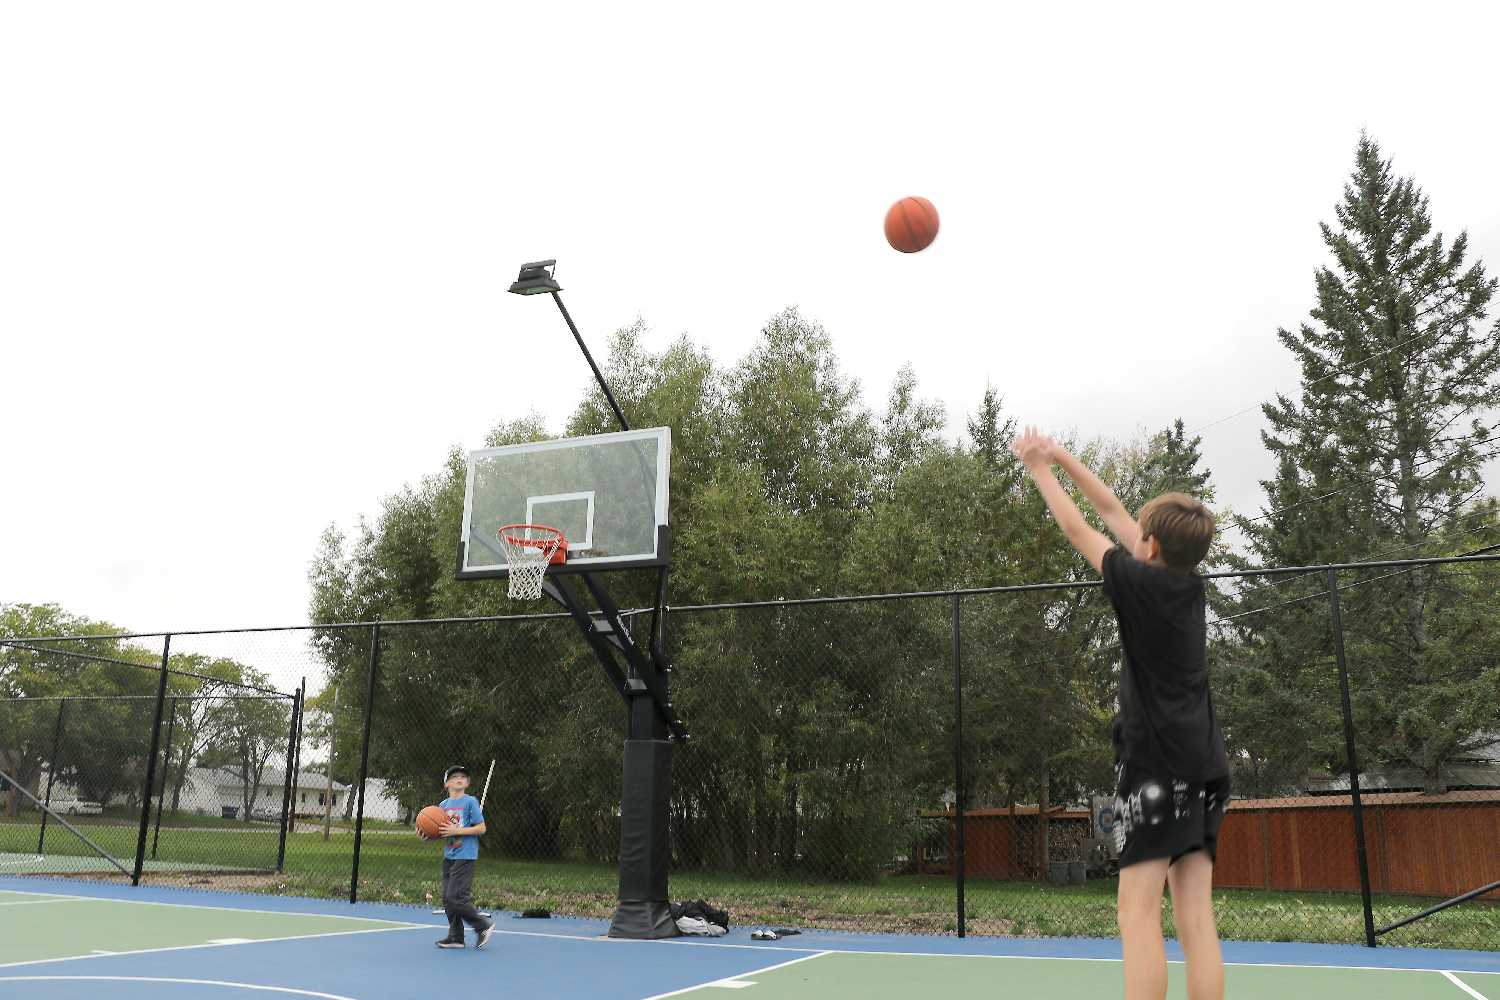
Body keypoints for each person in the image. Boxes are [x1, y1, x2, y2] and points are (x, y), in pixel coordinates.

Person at [1011, 427, 1228, 1000]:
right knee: (1195, 918)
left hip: (1157, 769)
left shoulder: (1136, 583)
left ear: (1150, 547)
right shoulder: (1188, 585)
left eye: (1141, 534)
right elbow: (1110, 508)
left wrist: (1038, 469)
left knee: (1137, 913)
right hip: (1207, 766)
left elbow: (1079, 526)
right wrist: (1061, 455)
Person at [422, 764, 494, 950]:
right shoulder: (442, 807)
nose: (459, 779)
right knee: (447, 898)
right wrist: (426, 836)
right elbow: (438, 831)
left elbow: (481, 828)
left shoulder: (470, 802)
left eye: (463, 776)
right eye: (454, 777)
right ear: (446, 784)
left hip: (466, 855)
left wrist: (457, 830)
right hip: (450, 855)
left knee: (456, 897)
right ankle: (455, 936)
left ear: (467, 782)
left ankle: (482, 926)